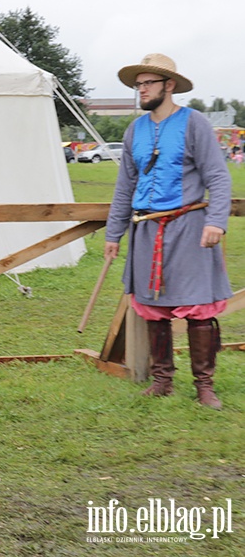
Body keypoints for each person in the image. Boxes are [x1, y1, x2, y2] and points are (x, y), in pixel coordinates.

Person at [105, 53, 232, 410]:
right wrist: (113, 234)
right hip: (145, 229)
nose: (141, 90)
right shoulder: (135, 130)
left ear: (169, 85)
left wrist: (215, 221)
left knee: (199, 308)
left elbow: (218, 177)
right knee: (153, 307)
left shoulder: (195, 124)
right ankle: (163, 381)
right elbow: (125, 186)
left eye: (148, 83)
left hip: (189, 226)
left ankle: (204, 386)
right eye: (138, 85)